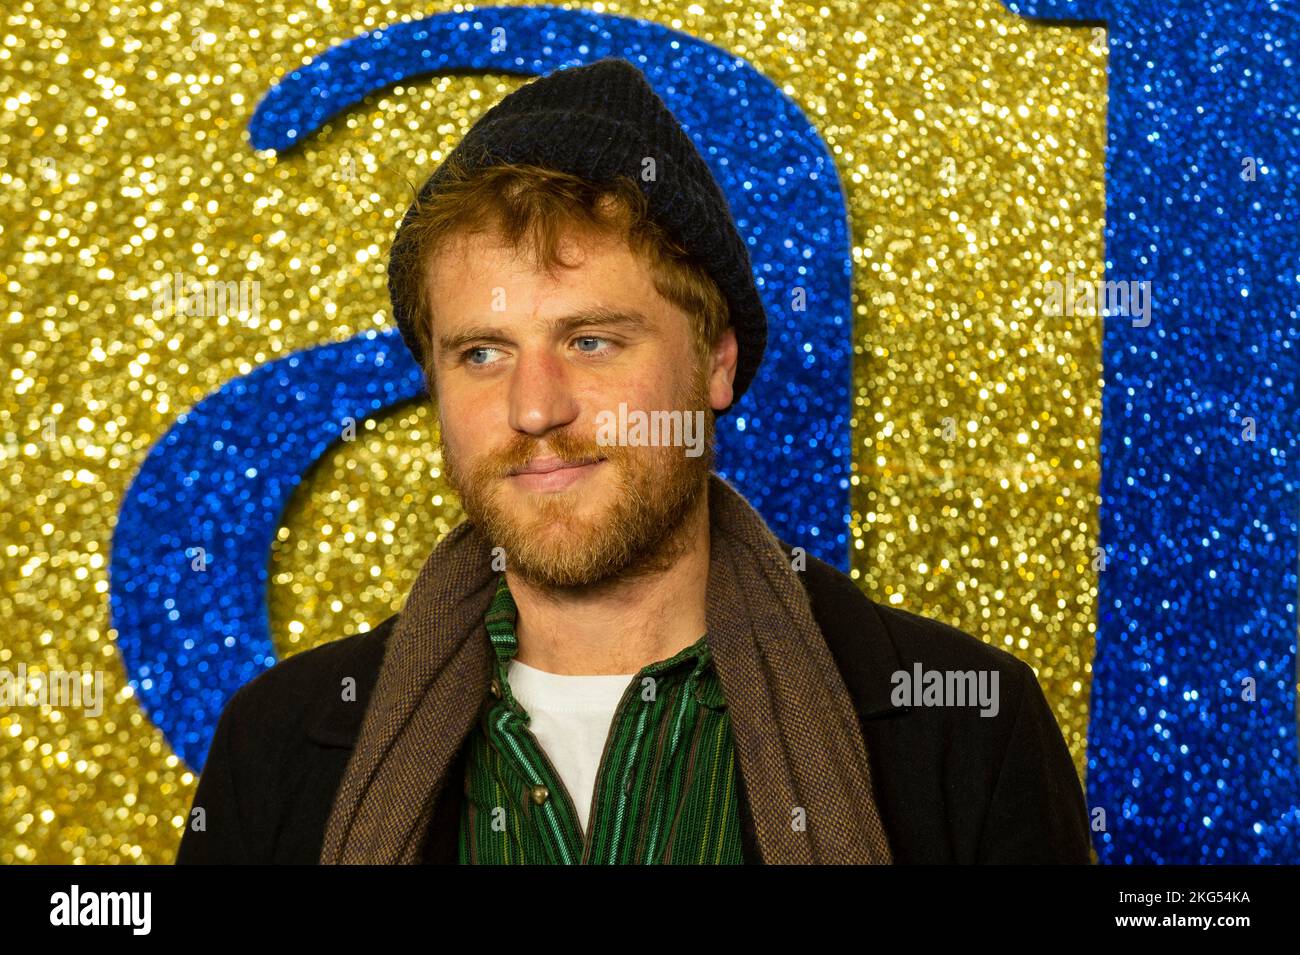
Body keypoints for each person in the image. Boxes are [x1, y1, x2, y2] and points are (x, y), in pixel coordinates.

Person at [176, 56, 1092, 865]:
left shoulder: (966, 729)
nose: (535, 409)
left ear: (716, 361)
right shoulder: (278, 746)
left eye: (592, 340)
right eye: (482, 354)